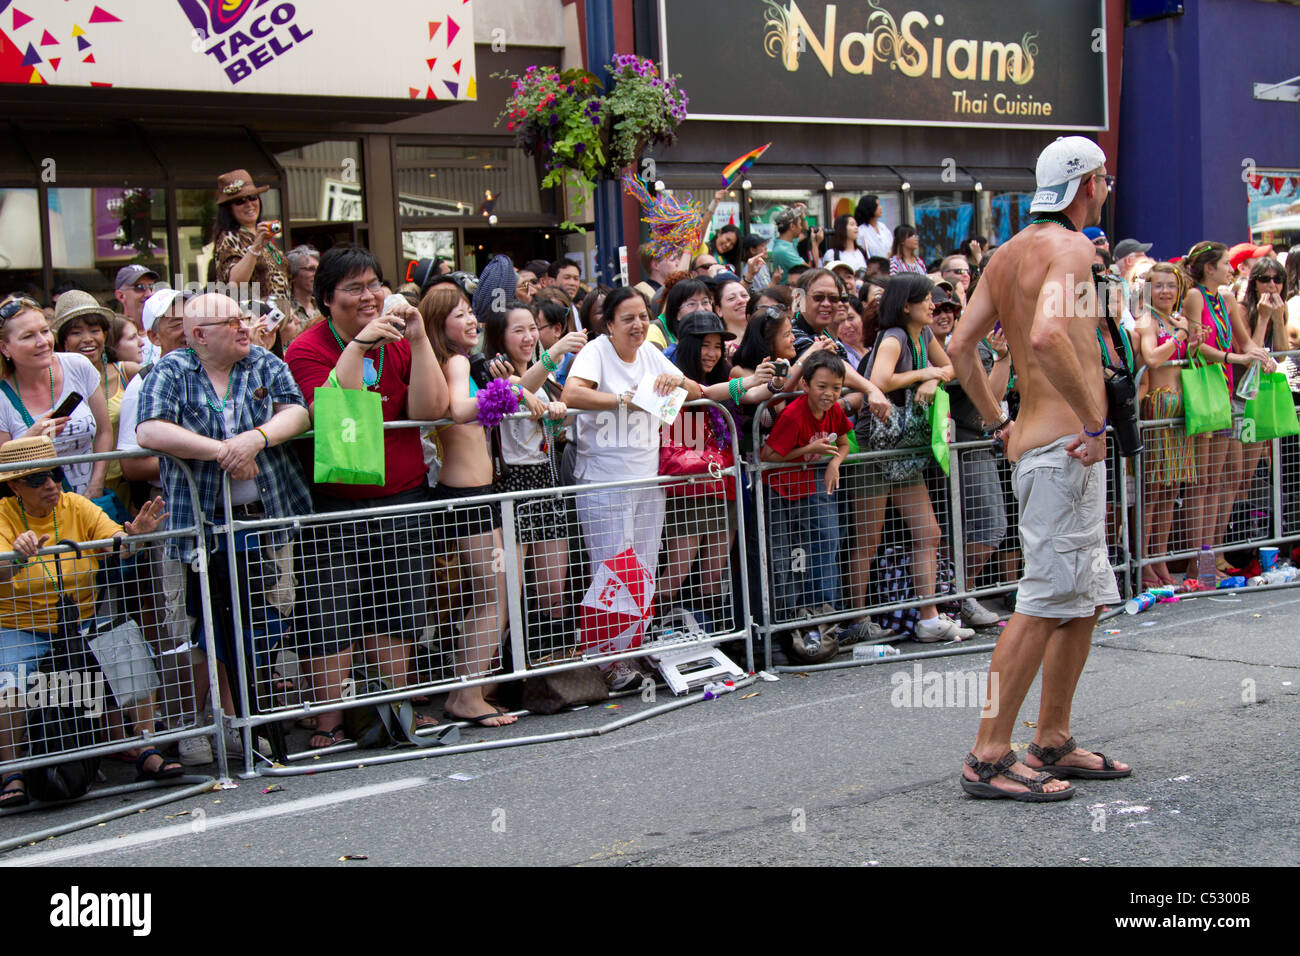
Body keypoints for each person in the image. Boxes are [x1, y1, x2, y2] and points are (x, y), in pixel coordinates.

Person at [947, 136, 1127, 801]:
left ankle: (1051, 737)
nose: (1106, 188)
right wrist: (1094, 422)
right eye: (1102, 180)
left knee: (1080, 599)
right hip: (1067, 450)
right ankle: (988, 756)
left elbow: (962, 346)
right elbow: (1050, 335)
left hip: (1044, 449)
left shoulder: (1006, 254)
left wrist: (999, 421)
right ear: (1086, 186)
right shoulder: (1073, 248)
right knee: (1045, 601)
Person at [285, 245, 449, 748]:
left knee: (399, 608)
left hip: (402, 493)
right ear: (325, 298)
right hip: (336, 500)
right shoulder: (307, 348)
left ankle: (396, 708)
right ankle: (328, 724)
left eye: (374, 284)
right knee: (331, 612)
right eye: (353, 288)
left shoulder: (399, 337)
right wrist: (356, 346)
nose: (369, 296)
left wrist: (420, 341)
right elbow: (337, 415)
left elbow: (431, 407)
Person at [135, 292, 311, 760]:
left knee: (267, 623)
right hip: (201, 528)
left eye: (243, 318)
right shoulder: (171, 370)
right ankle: (195, 729)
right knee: (202, 629)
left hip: (265, 523)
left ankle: (258, 725)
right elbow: (149, 430)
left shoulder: (262, 362)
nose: (243, 327)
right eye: (230, 321)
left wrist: (256, 439)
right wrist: (224, 451)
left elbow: (297, 410)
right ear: (198, 336)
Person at [0, 436, 171, 803]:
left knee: (130, 650)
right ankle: (10, 772)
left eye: (55, 474)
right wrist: (15, 557)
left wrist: (135, 536)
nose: (51, 485)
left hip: (81, 620)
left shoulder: (76, 505)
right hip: (20, 625)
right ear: (14, 485)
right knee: (8, 678)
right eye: (37, 480)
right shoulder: (3, 514)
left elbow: (117, 544)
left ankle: (145, 748)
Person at [561, 287, 705, 691]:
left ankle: (630, 648)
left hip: (647, 479)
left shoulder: (650, 353)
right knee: (612, 568)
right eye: (628, 318)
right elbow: (573, 393)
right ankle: (602, 657)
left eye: (643, 316)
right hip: (605, 479)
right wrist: (621, 400)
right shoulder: (596, 351)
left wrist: (672, 377)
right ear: (608, 324)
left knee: (643, 566)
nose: (638, 324)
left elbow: (692, 390)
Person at [427, 285, 548, 726]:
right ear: (439, 324)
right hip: (467, 497)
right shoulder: (457, 362)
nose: (472, 321)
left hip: (477, 495)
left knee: (495, 594)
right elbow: (461, 409)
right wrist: (506, 394)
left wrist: (513, 388)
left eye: (471, 313)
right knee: (494, 595)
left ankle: (470, 688)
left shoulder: (462, 362)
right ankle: (466, 694)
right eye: (460, 315)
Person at [856, 274, 974, 643]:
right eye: (926, 299)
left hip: (905, 447)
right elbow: (880, 379)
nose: (933, 306)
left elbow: (952, 366)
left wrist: (932, 381)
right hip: (876, 446)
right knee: (867, 539)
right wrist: (925, 373)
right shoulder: (894, 337)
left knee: (929, 532)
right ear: (906, 305)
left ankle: (930, 616)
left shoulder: (925, 336)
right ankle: (858, 620)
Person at [658, 312, 774, 626]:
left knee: (714, 572)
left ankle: (714, 640)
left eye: (716, 346)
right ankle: (657, 635)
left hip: (724, 482)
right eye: (704, 345)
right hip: (689, 486)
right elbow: (702, 395)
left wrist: (775, 380)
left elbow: (749, 395)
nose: (711, 353)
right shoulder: (669, 376)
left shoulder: (724, 374)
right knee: (677, 571)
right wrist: (747, 381)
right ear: (687, 345)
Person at [1180, 241, 1275, 580]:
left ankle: (1210, 561)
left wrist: (1259, 355)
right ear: (1209, 268)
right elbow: (1197, 346)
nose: (1231, 269)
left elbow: (1244, 341)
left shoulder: (1228, 298)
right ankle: (1197, 564)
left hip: (1224, 393)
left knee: (1217, 481)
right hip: (1206, 391)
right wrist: (1236, 358)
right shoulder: (1194, 297)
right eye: (1225, 264)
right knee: (1201, 482)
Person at [483, 300, 571, 647]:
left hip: (547, 479)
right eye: (517, 330)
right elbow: (520, 389)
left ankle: (549, 666)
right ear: (500, 335)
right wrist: (554, 355)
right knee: (508, 588)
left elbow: (564, 421)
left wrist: (561, 410)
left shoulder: (543, 372)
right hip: (511, 482)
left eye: (532, 328)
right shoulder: (494, 370)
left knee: (552, 587)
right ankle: (498, 676)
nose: (528, 336)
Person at [761, 350, 852, 660]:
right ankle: (782, 633)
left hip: (808, 486)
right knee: (783, 560)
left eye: (836, 388)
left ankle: (822, 626)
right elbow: (767, 456)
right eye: (822, 386)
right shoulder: (792, 415)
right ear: (805, 385)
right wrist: (806, 450)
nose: (829, 394)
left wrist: (834, 463)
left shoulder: (834, 411)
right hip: (778, 491)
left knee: (824, 542)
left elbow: (843, 442)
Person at [0, 295, 112, 500]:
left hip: (90, 505)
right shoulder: (2, 397)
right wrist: (33, 437)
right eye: (28, 336)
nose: (42, 342)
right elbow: (4, 468)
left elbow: (104, 431)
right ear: (4, 347)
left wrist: (96, 486)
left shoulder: (78, 366)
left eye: (44, 331)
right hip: (37, 516)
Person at [1135, 262, 1201, 588]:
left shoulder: (1177, 319)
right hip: (1159, 405)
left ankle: (1159, 559)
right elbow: (1152, 357)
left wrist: (1192, 337)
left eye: (1170, 286)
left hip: (1179, 406)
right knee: (1153, 488)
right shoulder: (1148, 319)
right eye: (1158, 285)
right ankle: (1145, 561)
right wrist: (1179, 336)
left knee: (1172, 488)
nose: (1165, 291)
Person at [51, 291, 140, 513]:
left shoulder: (126, 372)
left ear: (105, 334)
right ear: (63, 340)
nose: (87, 339)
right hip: (73, 489)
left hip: (127, 485)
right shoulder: (54, 382)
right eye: (76, 332)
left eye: (94, 330)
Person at [212, 169, 292, 316]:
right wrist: (255, 247)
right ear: (229, 208)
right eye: (240, 201)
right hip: (253, 321)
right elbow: (235, 283)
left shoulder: (264, 236)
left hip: (280, 322)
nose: (249, 204)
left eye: (253, 197)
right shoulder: (229, 237)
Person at [285, 244, 322, 342]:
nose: (317, 274)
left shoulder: (323, 307)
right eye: (311, 269)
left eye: (318, 269)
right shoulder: (286, 310)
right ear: (293, 275)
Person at [770, 206, 811, 284]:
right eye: (800, 224)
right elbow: (811, 273)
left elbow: (805, 233)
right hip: (787, 293)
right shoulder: (784, 251)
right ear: (792, 226)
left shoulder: (784, 242)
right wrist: (816, 245)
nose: (801, 227)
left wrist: (802, 215)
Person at [854, 195, 893, 260]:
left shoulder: (883, 227)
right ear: (870, 207)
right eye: (877, 205)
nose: (881, 207)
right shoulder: (861, 231)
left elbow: (891, 247)